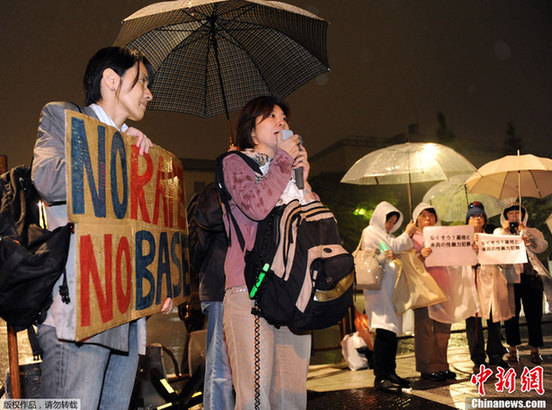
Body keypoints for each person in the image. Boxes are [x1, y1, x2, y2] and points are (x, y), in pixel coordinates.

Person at [32, 46, 172, 409]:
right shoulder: (62, 117)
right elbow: (48, 179)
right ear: (111, 80)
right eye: (141, 81)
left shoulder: (137, 146)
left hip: (125, 321)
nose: (148, 92)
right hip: (78, 315)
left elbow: (145, 229)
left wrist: (158, 285)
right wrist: (118, 151)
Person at [220, 96, 315, 409]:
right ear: (251, 130)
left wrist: (303, 178)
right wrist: (283, 163)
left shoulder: (291, 170)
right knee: (256, 399)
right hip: (250, 290)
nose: (281, 122)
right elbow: (257, 207)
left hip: (293, 290)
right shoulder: (234, 163)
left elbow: (313, 224)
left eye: (284, 117)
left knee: (292, 397)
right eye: (271, 116)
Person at [411, 203, 478, 382]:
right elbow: (407, 264)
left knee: (443, 328)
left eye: (431, 215)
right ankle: (427, 368)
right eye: (423, 215)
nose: (428, 219)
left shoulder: (442, 235)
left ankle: (441, 365)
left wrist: (469, 249)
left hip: (444, 287)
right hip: (424, 289)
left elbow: (457, 257)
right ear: (416, 218)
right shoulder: (411, 238)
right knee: (425, 328)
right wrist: (420, 256)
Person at [360, 201, 416, 393]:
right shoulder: (371, 232)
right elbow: (388, 249)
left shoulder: (385, 235)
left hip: (388, 288)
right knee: (384, 331)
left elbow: (392, 248)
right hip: (378, 289)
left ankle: (390, 372)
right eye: (388, 220)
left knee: (391, 331)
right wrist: (407, 232)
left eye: (393, 222)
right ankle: (381, 376)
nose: (390, 225)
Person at [494, 203, 550, 365]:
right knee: (511, 315)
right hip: (511, 278)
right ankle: (513, 349)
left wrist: (526, 234)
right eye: (510, 213)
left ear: (523, 215)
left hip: (532, 277)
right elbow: (498, 248)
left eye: (517, 213)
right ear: (505, 216)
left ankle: (535, 350)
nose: (513, 216)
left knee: (534, 315)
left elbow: (542, 247)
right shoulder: (499, 231)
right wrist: (507, 232)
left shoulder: (532, 230)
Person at [464, 202, 511, 369]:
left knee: (494, 320)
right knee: (473, 323)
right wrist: (471, 250)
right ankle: (477, 356)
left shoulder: (492, 236)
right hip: (472, 282)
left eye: (480, 215)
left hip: (491, 283)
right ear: (467, 220)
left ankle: (496, 354)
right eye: (473, 216)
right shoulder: (461, 239)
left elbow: (504, 262)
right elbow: (457, 262)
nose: (477, 218)